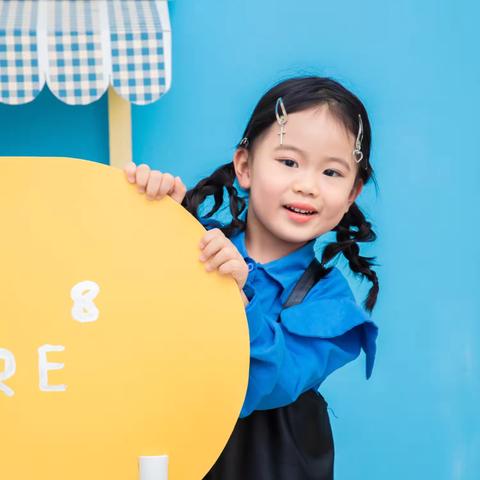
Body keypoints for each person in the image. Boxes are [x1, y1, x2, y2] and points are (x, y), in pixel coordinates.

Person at [123, 76, 380, 479]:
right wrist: (154, 220)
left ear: (351, 195)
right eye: (289, 162)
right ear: (245, 166)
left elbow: (265, 382)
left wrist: (237, 293)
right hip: (172, 457)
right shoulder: (193, 242)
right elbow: (123, 314)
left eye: (332, 172)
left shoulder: (332, 306)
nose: (307, 185)